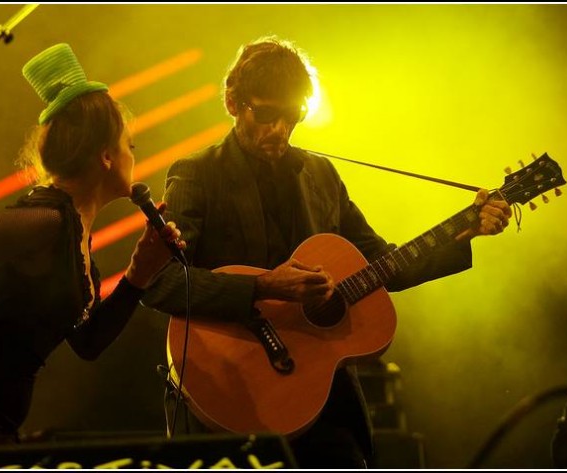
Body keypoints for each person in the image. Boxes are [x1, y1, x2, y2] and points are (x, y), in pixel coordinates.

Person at [140, 36, 512, 469]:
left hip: (322, 401)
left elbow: (381, 264)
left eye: (292, 115)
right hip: (234, 393)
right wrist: (264, 286)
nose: (280, 129)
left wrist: (465, 230)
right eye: (266, 114)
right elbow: (160, 282)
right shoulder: (197, 174)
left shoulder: (320, 174)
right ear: (232, 102)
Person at [0, 43, 186, 469]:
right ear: (106, 156)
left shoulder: (78, 244)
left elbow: (89, 343)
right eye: (130, 145)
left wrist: (138, 274)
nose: (135, 155)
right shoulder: (46, 221)